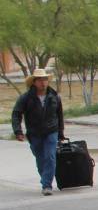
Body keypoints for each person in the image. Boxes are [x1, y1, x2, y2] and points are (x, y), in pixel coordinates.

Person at [11, 68, 66, 196]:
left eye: (45, 80)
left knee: (50, 157)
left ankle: (47, 185)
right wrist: (18, 131)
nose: (43, 83)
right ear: (34, 82)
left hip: (51, 131)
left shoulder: (54, 96)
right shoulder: (25, 98)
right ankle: (45, 179)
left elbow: (60, 116)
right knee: (41, 158)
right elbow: (16, 114)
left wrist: (61, 133)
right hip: (34, 133)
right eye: (40, 80)